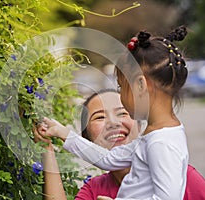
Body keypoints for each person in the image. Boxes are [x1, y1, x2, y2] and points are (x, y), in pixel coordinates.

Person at [39, 26, 191, 200]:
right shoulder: (157, 135)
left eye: (121, 86)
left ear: (140, 85)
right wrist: (62, 133)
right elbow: (109, 158)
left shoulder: (161, 143)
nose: (120, 94)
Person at [35, 89, 205, 200]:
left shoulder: (180, 175)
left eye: (123, 113)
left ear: (139, 126)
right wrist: (47, 150)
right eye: (100, 117)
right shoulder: (95, 189)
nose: (113, 123)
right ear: (86, 138)